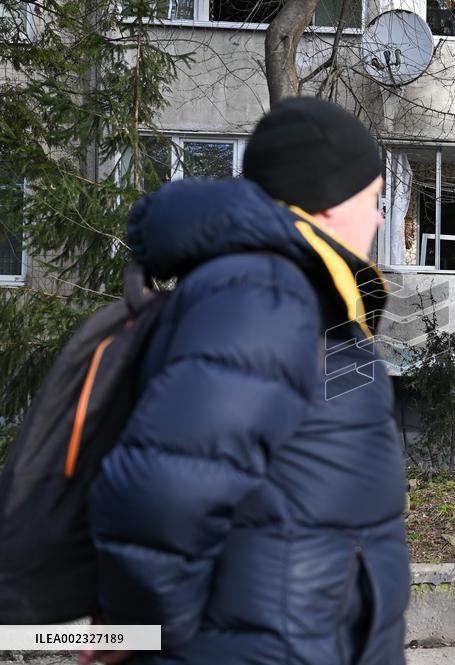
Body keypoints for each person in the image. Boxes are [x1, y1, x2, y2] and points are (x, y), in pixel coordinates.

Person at [80, 97, 409, 665]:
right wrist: (143, 637)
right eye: (375, 198)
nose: (380, 219)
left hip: (305, 637)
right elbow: (167, 491)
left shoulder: (311, 294)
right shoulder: (264, 291)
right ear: (329, 198)